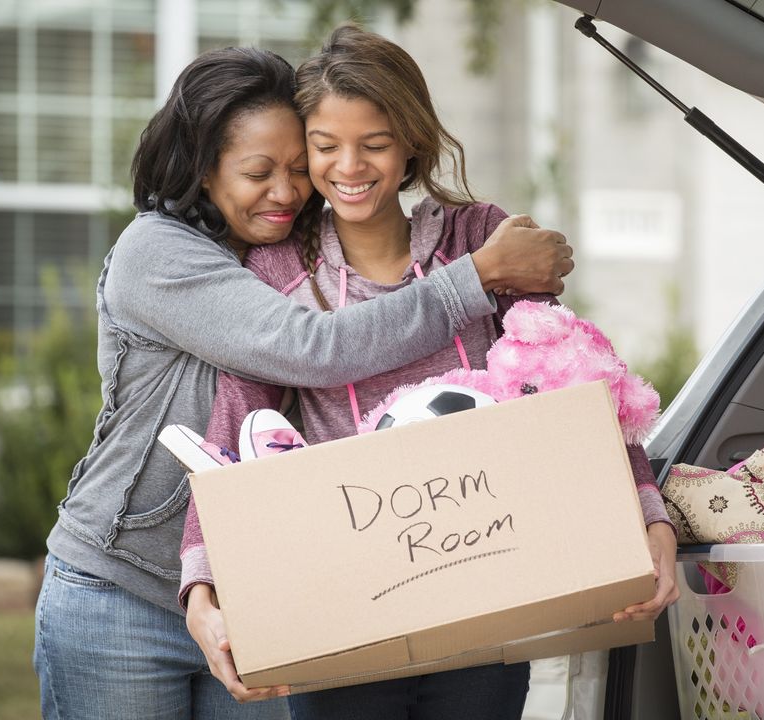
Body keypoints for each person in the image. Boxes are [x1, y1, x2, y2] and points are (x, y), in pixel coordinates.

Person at [32, 46, 574, 720]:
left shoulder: (281, 255)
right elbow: (312, 348)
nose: (286, 191)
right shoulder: (158, 254)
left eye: (296, 168)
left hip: (254, 591)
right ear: (203, 172)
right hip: (124, 594)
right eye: (258, 172)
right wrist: (478, 274)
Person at [178, 26, 679, 719]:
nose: (349, 166)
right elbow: (230, 432)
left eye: (375, 143)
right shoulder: (279, 270)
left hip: (489, 599)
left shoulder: (479, 240)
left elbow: (573, 378)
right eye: (325, 146)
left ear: (411, 139)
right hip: (346, 618)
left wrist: (648, 516)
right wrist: (202, 590)